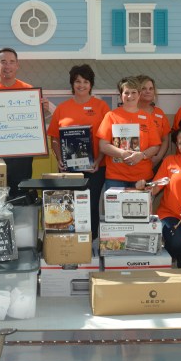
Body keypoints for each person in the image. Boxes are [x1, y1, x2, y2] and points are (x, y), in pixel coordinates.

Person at [47, 64, 110, 239]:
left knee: (90, 206)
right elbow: (54, 139)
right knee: (70, 206)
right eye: (77, 81)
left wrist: (98, 160)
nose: (81, 85)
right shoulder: (62, 108)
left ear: (91, 85)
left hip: (95, 168)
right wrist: (60, 159)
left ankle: (91, 243)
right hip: (69, 169)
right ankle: (70, 242)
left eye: (85, 81)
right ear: (72, 84)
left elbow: (108, 139)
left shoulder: (101, 107)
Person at [135, 126, 181, 268]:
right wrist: (142, 187)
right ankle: (165, 258)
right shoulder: (170, 161)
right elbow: (154, 188)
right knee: (179, 242)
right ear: (176, 145)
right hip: (170, 216)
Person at [0, 47, 43, 201]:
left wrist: (41, 109)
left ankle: (22, 223)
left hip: (21, 154)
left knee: (20, 194)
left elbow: (32, 124)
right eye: (3, 62)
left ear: (17, 65)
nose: (7, 66)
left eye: (11, 62)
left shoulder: (28, 90)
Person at [98, 76, 161, 193]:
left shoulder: (147, 118)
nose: (130, 96)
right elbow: (103, 145)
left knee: (141, 211)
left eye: (133, 92)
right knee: (115, 211)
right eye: (126, 93)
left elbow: (155, 146)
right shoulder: (111, 116)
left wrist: (141, 155)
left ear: (139, 94)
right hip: (115, 177)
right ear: (121, 95)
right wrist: (123, 153)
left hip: (141, 177)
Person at [136, 75, 171, 169]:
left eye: (151, 88)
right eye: (144, 88)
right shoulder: (130, 111)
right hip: (134, 163)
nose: (148, 91)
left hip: (155, 163)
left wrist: (158, 157)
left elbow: (165, 140)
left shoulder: (159, 113)